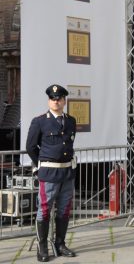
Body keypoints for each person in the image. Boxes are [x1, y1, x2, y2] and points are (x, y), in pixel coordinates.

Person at [26, 85, 77, 262]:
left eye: (59, 98)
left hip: (67, 173)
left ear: (64, 101)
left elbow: (68, 145)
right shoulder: (39, 121)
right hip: (48, 173)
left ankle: (60, 244)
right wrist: (40, 166)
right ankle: (42, 248)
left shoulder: (71, 121)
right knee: (45, 210)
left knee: (64, 210)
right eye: (53, 98)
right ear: (49, 101)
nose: (56, 101)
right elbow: (31, 147)